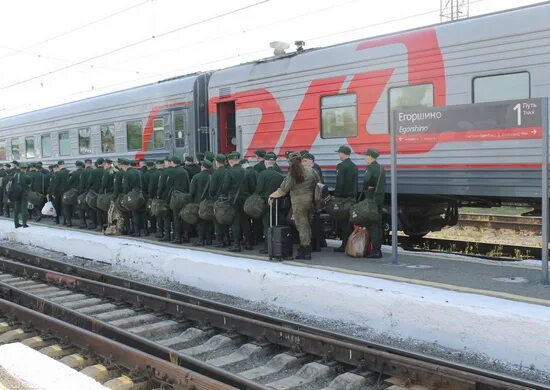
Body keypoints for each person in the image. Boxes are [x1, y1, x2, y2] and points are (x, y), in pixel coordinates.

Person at [269, 153, 317, 260]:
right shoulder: (311, 170)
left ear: (290, 162)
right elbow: (317, 183)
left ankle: (305, 251)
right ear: (300, 161)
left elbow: (284, 189)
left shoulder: (293, 174)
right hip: (310, 202)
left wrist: (272, 196)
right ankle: (306, 246)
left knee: (302, 226)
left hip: (299, 203)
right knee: (307, 224)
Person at [255, 152, 284, 253]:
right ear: (274, 162)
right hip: (276, 202)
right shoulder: (280, 175)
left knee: (266, 224)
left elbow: (258, 189)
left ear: (266, 162)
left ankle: (267, 247)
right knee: (276, 223)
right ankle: (277, 245)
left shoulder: (262, 174)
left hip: (265, 202)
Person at [220, 152, 248, 252]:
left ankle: (236, 244)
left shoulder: (229, 172)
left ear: (231, 161)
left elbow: (225, 187)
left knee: (235, 222)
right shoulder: (245, 171)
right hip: (244, 199)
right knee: (245, 221)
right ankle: (248, 243)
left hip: (234, 200)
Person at [333, 145, 358, 252]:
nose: (339, 155)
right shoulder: (354, 166)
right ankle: (349, 244)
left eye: (339, 153)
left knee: (344, 223)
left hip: (342, 199)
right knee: (349, 222)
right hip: (351, 198)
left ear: (343, 153)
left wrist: (336, 195)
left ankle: (344, 246)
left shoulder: (341, 166)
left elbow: (340, 183)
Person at [362, 148, 386, 258]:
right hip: (379, 198)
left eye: (366, 156)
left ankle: (375, 250)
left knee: (373, 225)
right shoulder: (381, 168)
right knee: (378, 224)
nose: (365, 158)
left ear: (371, 157)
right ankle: (377, 248)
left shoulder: (371, 168)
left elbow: (366, 181)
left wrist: (366, 187)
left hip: (372, 200)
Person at [168, 156, 190, 244]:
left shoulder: (173, 172)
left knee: (176, 218)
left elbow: (169, 184)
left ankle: (177, 237)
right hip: (185, 196)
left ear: (173, 162)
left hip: (176, 197)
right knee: (184, 217)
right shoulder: (184, 171)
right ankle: (186, 235)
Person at [190, 159, 212, 246]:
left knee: (200, 221)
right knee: (209, 221)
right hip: (209, 202)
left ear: (202, 166)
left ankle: (201, 239)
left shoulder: (196, 177)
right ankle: (209, 239)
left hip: (198, 202)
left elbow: (192, 191)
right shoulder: (211, 176)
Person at [210, 154, 229, 247]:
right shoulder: (228, 171)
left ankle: (220, 240)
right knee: (226, 218)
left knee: (217, 220)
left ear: (217, 162)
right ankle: (227, 238)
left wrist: (213, 196)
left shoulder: (215, 173)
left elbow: (212, 189)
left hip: (218, 199)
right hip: (227, 199)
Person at [11, 162, 31, 228]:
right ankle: (24, 224)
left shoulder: (15, 175)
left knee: (16, 209)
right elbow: (29, 186)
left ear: (19, 168)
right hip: (24, 194)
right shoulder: (27, 177)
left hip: (16, 194)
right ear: (26, 168)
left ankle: (16, 224)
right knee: (24, 209)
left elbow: (12, 183)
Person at [87, 158, 104, 230]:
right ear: (103, 163)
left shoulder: (94, 172)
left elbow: (89, 182)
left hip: (95, 193)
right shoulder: (106, 170)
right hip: (104, 193)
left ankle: (98, 225)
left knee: (97, 209)